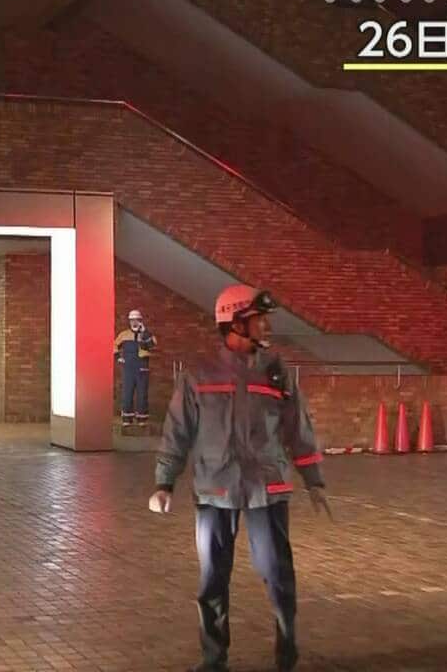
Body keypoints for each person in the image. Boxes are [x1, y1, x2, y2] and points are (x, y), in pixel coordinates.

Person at [148, 284, 330, 672]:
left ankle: (287, 651)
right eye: (258, 319)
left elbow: (299, 429)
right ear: (234, 324)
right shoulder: (199, 375)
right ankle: (214, 659)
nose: (267, 326)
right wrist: (164, 482)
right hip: (215, 490)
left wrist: (313, 478)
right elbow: (177, 431)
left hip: (268, 489)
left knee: (278, 575)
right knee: (213, 580)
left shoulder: (277, 373)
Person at [114, 309, 157, 425]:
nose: (134, 322)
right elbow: (114, 345)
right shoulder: (124, 335)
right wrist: (118, 357)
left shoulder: (147, 335)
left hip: (142, 367)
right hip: (128, 368)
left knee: (142, 394)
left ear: (140, 320)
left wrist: (144, 332)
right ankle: (127, 418)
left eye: (136, 320)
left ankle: (142, 419)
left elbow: (152, 345)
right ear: (129, 321)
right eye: (132, 320)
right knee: (127, 393)